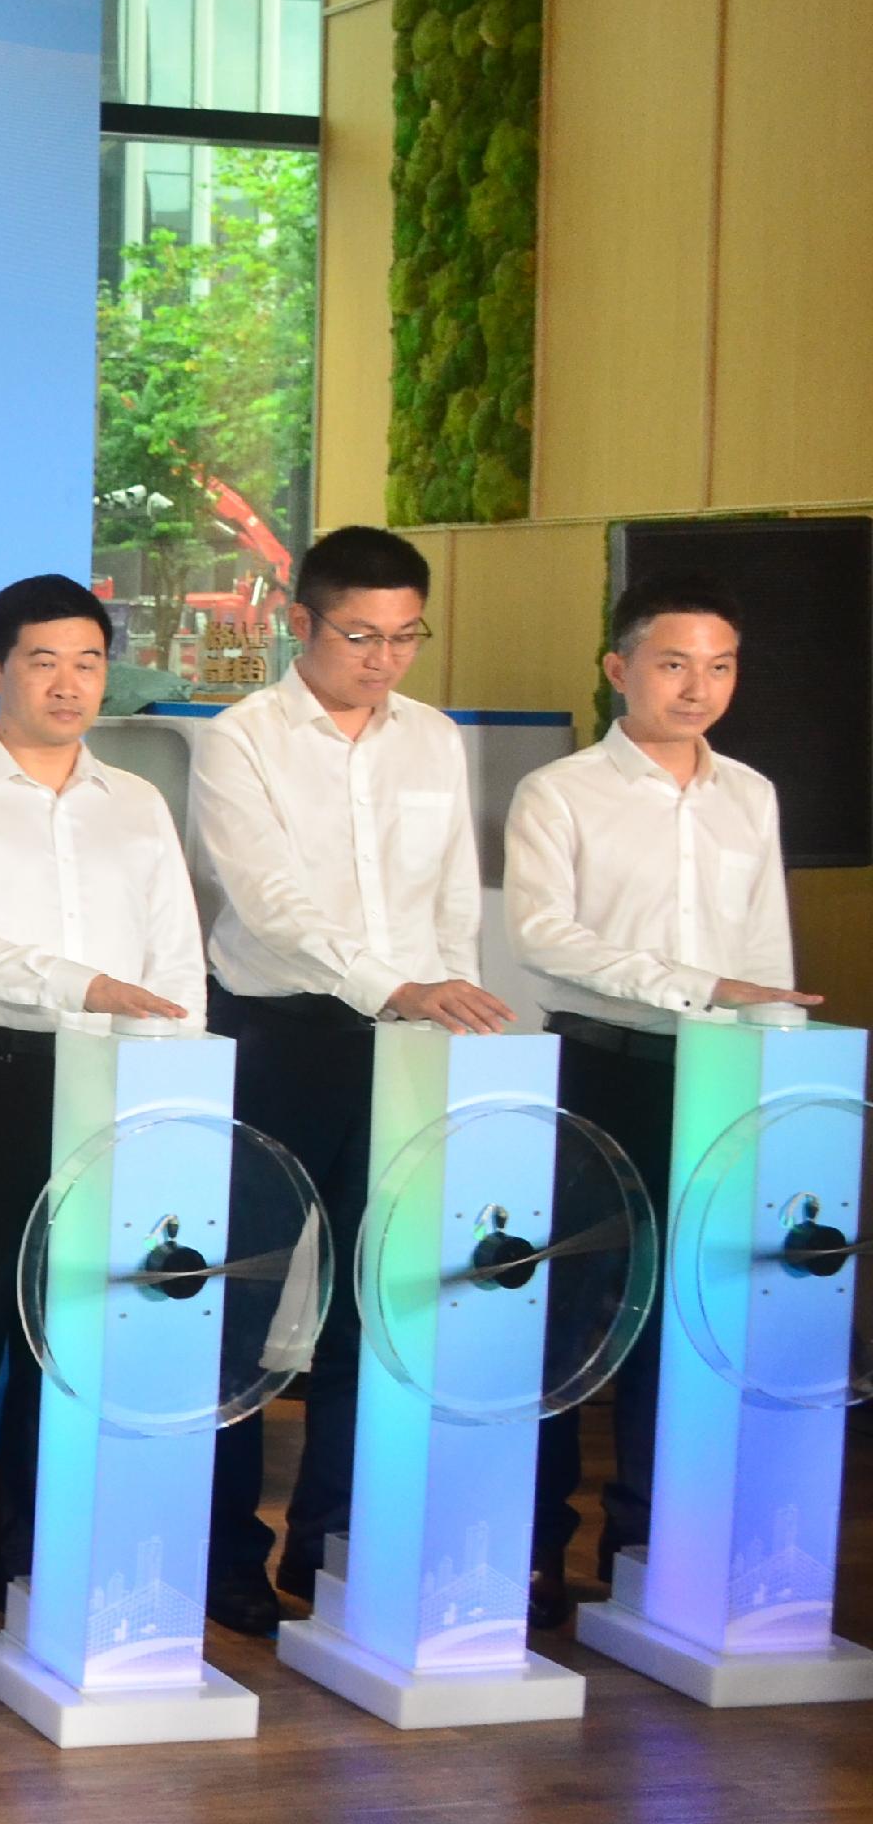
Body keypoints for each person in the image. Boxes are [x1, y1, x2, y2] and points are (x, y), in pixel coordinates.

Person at [185, 523, 509, 1637]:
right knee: (238, 1292)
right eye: (361, 636)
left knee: (382, 1296)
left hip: (409, 1038)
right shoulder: (239, 740)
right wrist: (398, 985)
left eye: (406, 637)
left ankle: (333, 1544)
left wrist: (449, 994)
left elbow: (452, 894)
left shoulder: (430, 740)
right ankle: (221, 1555)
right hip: (276, 1035)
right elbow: (272, 904)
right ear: (300, 622)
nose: (384, 659)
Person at [0, 574, 206, 1651]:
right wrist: (85, 984)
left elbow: (175, 959)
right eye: (41, 662)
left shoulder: (139, 803)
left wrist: (171, 1083)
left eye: (86, 662)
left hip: (115, 1083)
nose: (67, 685)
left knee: (68, 1333)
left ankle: (28, 1557)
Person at [507, 580, 813, 1620]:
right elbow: (542, 938)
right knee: (571, 1315)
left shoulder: (750, 794)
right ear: (618, 669)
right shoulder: (560, 792)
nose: (697, 687)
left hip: (725, 1074)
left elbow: (765, 946)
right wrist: (694, 988)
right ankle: (535, 1551)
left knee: (697, 1310)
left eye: (719, 665)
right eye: (673, 663)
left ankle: (651, 1548)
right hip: (603, 1064)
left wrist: (777, 1060)